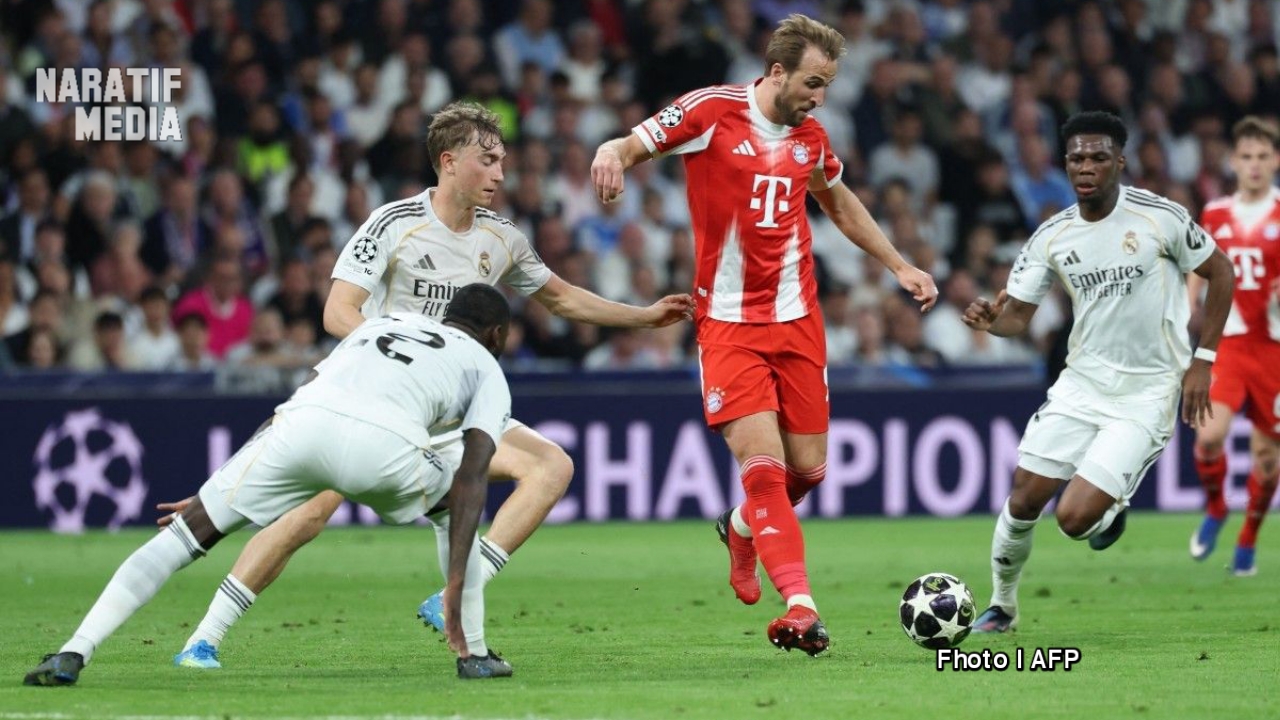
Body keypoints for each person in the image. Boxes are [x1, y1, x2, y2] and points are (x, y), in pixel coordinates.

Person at [158, 102, 694, 668]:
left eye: (503, 162)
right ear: (449, 161)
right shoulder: (393, 224)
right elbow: (339, 313)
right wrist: (396, 363)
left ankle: (455, 594)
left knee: (552, 466)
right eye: (488, 161)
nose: (500, 174)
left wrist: (644, 316)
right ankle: (204, 638)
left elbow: (560, 297)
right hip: (378, 404)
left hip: (452, 416)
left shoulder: (502, 238)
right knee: (307, 514)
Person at [590, 14, 938, 655]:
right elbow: (630, 145)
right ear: (776, 71)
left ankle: (741, 528)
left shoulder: (812, 137)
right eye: (812, 81)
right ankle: (801, 607)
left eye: (828, 84)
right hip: (727, 325)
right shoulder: (709, 112)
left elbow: (838, 202)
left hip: (798, 319)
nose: (819, 97)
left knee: (810, 472)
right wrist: (609, 153)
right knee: (765, 471)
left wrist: (900, 264)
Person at [25, 284, 515, 686]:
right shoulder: (486, 367)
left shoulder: (383, 323)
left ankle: (73, 651)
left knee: (181, 536)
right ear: (496, 333)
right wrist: (454, 578)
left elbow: (302, 398)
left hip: (299, 428)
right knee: (454, 502)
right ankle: (471, 653)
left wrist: (217, 493)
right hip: (385, 450)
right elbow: (473, 474)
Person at [962, 111, 1235, 633]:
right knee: (1023, 496)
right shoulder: (1052, 235)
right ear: (1065, 164)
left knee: (1073, 520)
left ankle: (1109, 508)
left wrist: (1203, 359)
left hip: (1148, 390)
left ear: (1119, 162)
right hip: (1082, 384)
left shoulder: (1160, 217)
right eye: (1076, 158)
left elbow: (1220, 271)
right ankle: (1002, 606)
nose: (1086, 167)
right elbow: (1017, 316)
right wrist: (993, 322)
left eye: (1097, 157)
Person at [1188, 116, 1280, 576]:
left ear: (1276, 160)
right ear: (1233, 162)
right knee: (1209, 437)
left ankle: (1247, 541)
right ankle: (1217, 507)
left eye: (1263, 156)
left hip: (1275, 349)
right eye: (1246, 156)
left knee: (1266, 459)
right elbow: (1197, 265)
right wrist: (1186, 305)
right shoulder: (1215, 213)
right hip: (1230, 343)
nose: (1255, 164)